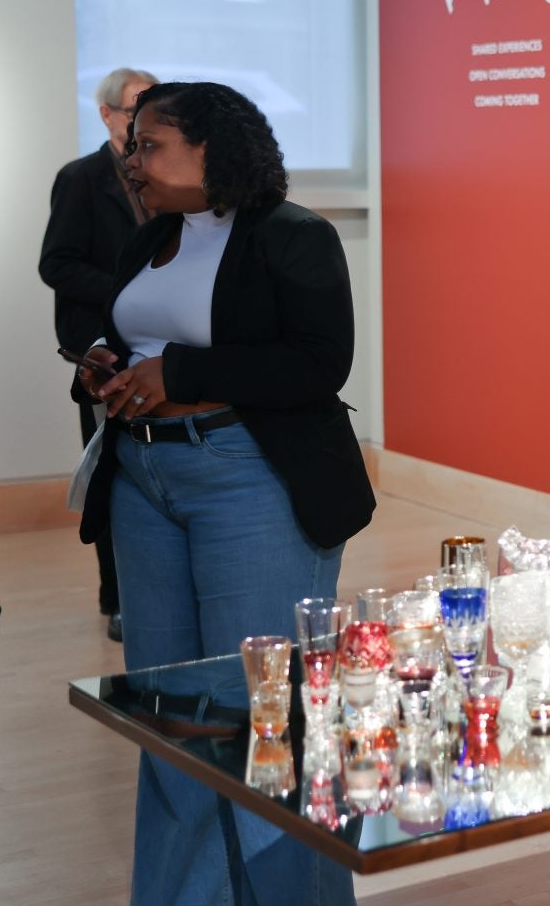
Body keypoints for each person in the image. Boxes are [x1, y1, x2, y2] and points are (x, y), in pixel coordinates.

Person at [74, 81, 375, 903]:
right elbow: (136, 328)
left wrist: (182, 373)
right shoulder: (152, 238)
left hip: (250, 478)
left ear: (214, 147)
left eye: (150, 143)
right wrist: (104, 357)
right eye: (131, 145)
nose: (132, 161)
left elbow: (319, 361)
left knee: (265, 712)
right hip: (144, 481)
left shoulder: (293, 234)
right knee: (171, 716)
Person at [40, 65, 157, 642]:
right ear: (107, 114)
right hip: (103, 353)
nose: (143, 116)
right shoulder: (82, 178)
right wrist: (125, 291)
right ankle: (117, 600)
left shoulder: (170, 175)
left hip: (161, 350)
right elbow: (55, 265)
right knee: (113, 475)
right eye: (135, 105)